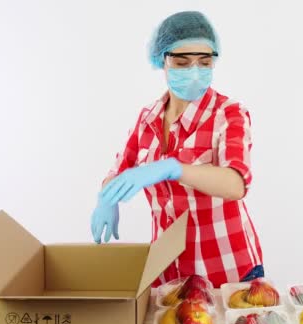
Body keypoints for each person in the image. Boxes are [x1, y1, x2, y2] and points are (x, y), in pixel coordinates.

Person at [90, 11, 263, 288]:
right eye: (182, 63)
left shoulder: (229, 113)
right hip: (168, 273)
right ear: (162, 61)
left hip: (228, 271)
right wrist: (106, 196)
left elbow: (235, 184)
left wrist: (173, 169)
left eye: (204, 62)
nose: (194, 72)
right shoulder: (148, 118)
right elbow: (120, 170)